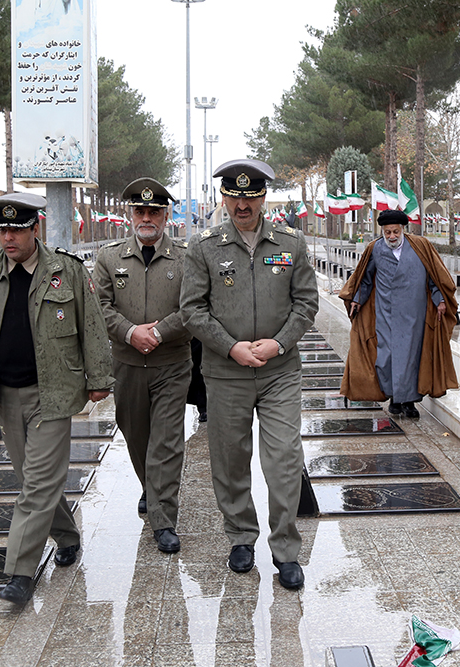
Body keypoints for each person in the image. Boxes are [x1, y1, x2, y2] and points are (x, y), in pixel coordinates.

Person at [0, 192, 114, 605]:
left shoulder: (66, 271)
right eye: (2, 229)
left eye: (16, 229)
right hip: (4, 393)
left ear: (34, 228)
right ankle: (66, 533)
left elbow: (91, 324)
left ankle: (20, 572)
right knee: (32, 481)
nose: (8, 237)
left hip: (53, 393)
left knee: (37, 483)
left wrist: (100, 378)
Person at [179, 158, 319, 589]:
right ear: (224, 197)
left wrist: (278, 343)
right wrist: (230, 347)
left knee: (283, 460)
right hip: (225, 372)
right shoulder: (203, 247)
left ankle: (285, 549)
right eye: (235, 196)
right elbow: (191, 310)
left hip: (279, 371)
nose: (243, 204)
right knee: (230, 459)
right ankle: (240, 536)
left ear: (263, 198)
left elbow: (306, 303)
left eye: (251, 196)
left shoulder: (290, 244)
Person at [93, 177, 191, 554]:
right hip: (127, 364)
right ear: (130, 214)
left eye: (154, 211)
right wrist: (131, 332)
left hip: (172, 364)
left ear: (167, 215)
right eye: (140, 210)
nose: (146, 217)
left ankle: (164, 520)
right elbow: (100, 308)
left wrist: (160, 333)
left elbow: (193, 307)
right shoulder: (109, 257)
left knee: (166, 442)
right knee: (136, 436)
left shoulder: (186, 257)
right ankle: (151, 489)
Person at [338, 209, 459, 419]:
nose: (391, 236)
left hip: (415, 313)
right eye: (387, 233)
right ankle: (394, 396)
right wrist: (357, 299)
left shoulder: (421, 246)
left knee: (411, 357)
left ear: (403, 229)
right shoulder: (374, 248)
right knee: (387, 356)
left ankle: (409, 402)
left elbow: (435, 278)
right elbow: (365, 279)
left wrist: (439, 300)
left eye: (395, 232)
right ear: (382, 232)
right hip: (385, 312)